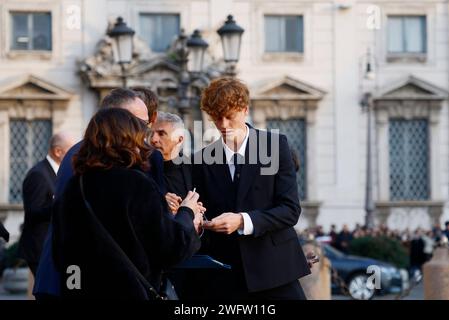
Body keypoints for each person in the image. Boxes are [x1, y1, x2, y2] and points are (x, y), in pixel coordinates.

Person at [52, 108, 202, 299]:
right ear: (129, 140)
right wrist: (187, 213)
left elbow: (61, 254)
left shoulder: (75, 186)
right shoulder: (136, 184)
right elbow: (171, 248)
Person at [33, 88, 161, 299]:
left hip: (63, 276)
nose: (146, 132)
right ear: (117, 119)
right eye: (140, 123)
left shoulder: (81, 151)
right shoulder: (102, 159)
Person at [193, 77, 310, 300]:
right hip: (226, 276)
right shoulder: (201, 161)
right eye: (217, 118)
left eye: (230, 116)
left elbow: (290, 210)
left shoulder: (276, 146)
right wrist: (200, 223)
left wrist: (242, 221)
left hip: (276, 270)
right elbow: (203, 215)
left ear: (245, 110)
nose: (224, 125)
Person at [18, 132, 75, 276]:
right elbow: (33, 212)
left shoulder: (60, 172)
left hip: (54, 248)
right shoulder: (38, 174)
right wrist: (64, 204)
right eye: (71, 151)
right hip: (40, 250)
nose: (75, 156)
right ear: (58, 151)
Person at [150, 112, 192, 213]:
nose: (153, 139)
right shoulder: (142, 168)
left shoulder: (195, 169)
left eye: (161, 134)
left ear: (179, 139)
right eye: (151, 134)